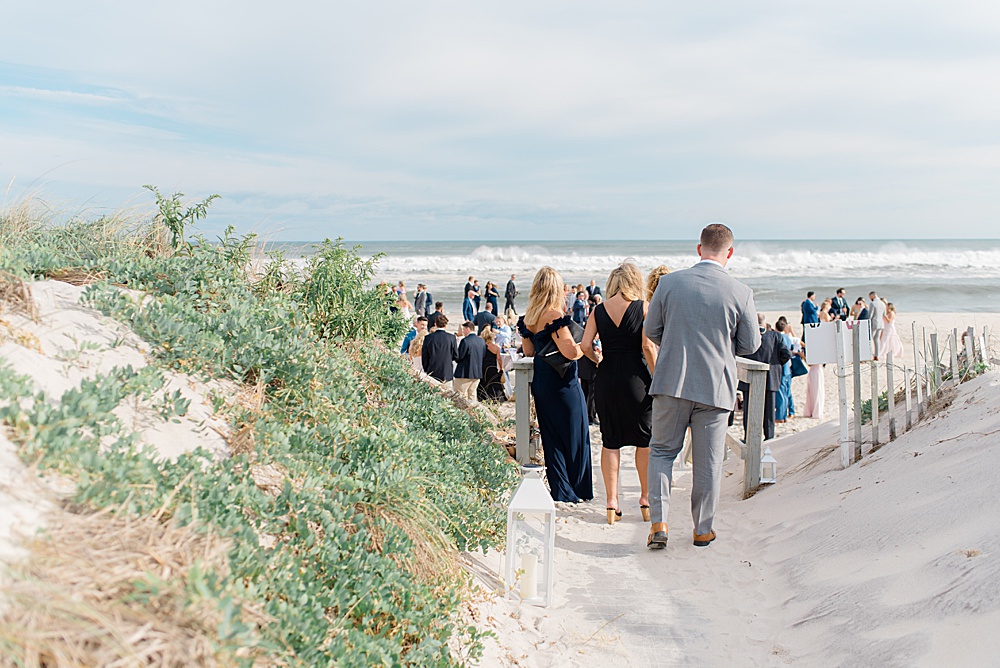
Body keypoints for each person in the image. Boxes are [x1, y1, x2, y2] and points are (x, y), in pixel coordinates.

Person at [644, 224, 760, 549]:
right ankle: (702, 529)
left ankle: (659, 523)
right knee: (708, 463)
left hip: (671, 381)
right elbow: (750, 344)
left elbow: (652, 330)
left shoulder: (668, 283)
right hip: (714, 386)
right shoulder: (740, 291)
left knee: (663, 451)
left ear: (699, 249)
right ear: (730, 253)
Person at [582, 261, 657, 526]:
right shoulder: (643, 307)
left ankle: (612, 502)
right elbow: (647, 346)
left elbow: (584, 345)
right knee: (643, 440)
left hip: (606, 379)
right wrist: (657, 373)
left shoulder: (598, 310)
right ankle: (646, 498)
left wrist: (598, 360)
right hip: (636, 379)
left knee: (610, 440)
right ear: (635, 282)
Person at [517, 266, 593, 503]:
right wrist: (586, 346)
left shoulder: (529, 318)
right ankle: (578, 489)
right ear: (555, 289)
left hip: (543, 381)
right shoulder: (553, 315)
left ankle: (561, 489)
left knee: (552, 437)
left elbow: (529, 350)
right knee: (576, 434)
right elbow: (570, 352)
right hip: (564, 383)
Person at [739, 314, 790, 441]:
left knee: (749, 411)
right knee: (769, 412)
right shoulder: (775, 336)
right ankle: (769, 437)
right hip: (770, 378)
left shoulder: (746, 337)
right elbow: (786, 354)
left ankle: (749, 437)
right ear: (765, 322)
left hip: (749, 378)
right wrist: (775, 365)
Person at [421, 315, 458, 387]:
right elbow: (455, 355)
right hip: (446, 371)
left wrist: (426, 368)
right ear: (446, 325)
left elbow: (424, 355)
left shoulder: (428, 337)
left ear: (435, 324)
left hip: (432, 370)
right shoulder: (451, 337)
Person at [455, 321, 486, 401]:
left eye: (464, 329)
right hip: (477, 372)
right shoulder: (481, 341)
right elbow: (483, 355)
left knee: (460, 395)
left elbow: (459, 356)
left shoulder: (465, 341)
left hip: (464, 372)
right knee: (472, 395)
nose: (463, 331)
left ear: (468, 329)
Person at [477, 327, 508, 402]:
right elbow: (499, 359)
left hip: (483, 367)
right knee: (494, 383)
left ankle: (483, 398)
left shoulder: (481, 346)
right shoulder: (495, 347)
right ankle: (496, 398)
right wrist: (501, 368)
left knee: (483, 383)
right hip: (492, 367)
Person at [774, 318, 794, 424]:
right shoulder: (787, 338)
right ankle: (785, 414)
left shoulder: (778, 338)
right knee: (786, 392)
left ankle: (780, 416)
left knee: (781, 393)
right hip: (787, 368)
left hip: (781, 367)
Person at [869, 292, 887, 359]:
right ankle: (877, 354)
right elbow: (884, 314)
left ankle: (870, 354)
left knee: (870, 338)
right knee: (877, 339)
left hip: (874, 322)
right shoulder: (883, 303)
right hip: (881, 323)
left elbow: (870, 314)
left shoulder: (872, 303)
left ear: (872, 296)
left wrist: (868, 321)